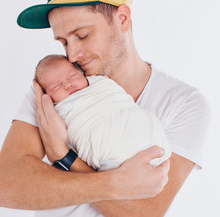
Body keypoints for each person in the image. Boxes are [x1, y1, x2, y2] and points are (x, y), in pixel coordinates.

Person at [0, 0, 210, 217]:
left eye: (82, 35)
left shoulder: (183, 102)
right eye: (63, 42)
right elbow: (5, 188)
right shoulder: (55, 89)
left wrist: (64, 157)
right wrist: (117, 182)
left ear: (123, 19)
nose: (72, 55)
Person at [35, 54, 171, 171]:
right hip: (100, 141)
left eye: (72, 76)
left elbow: (120, 99)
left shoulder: (100, 83)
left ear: (82, 73)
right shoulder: (55, 109)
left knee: (139, 120)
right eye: (56, 86)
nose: (68, 84)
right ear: (46, 94)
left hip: (130, 119)